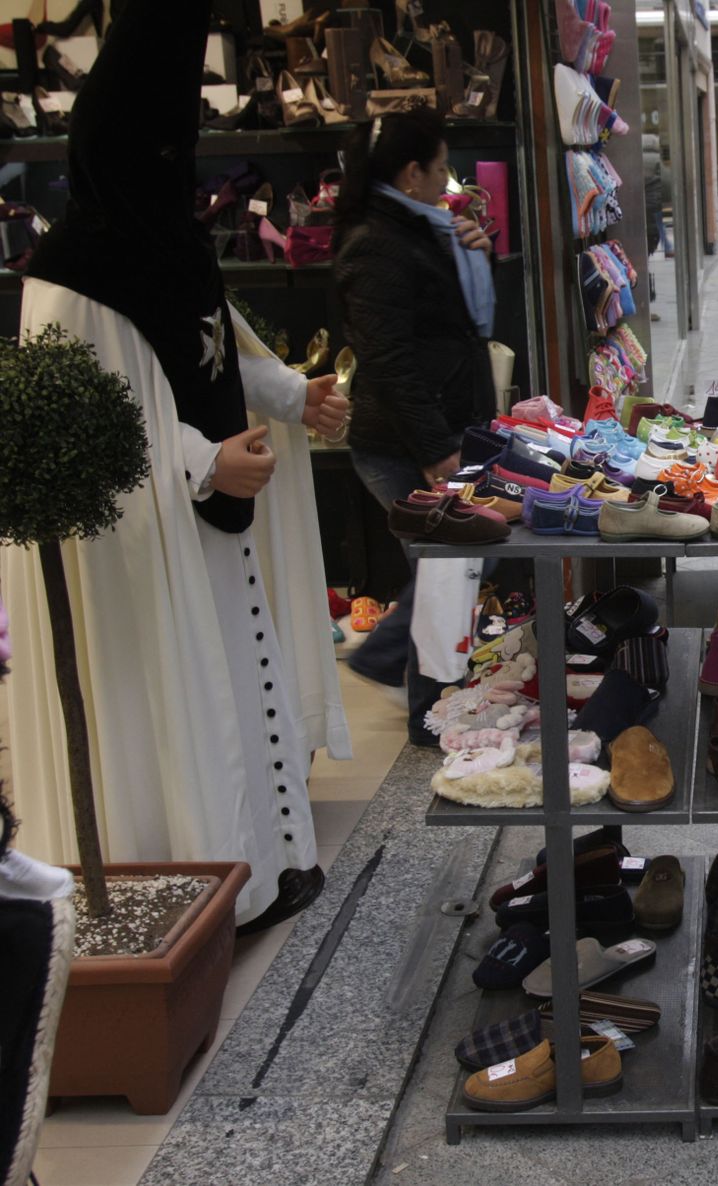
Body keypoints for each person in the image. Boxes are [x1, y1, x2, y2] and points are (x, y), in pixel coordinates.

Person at [1, 0, 350, 931]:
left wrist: (286, 394)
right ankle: (187, 900)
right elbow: (82, 443)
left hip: (205, 538)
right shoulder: (71, 275)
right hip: (147, 557)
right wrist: (200, 465)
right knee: (174, 707)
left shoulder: (165, 239)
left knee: (234, 694)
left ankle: (262, 872)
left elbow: (209, 347)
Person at [334, 108, 497, 744]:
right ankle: (426, 713)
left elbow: (456, 324)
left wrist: (477, 254)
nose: (445, 180)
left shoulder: (421, 228)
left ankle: (424, 694)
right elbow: (389, 359)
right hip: (404, 443)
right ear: (411, 174)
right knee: (446, 573)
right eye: (439, 168)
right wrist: (435, 449)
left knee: (449, 570)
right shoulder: (375, 244)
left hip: (442, 424)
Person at [641, 132, 673, 258]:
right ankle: (668, 247)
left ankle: (665, 246)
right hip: (655, 199)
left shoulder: (638, 157)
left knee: (650, 225)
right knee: (659, 224)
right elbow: (666, 179)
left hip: (642, 199)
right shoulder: (656, 159)